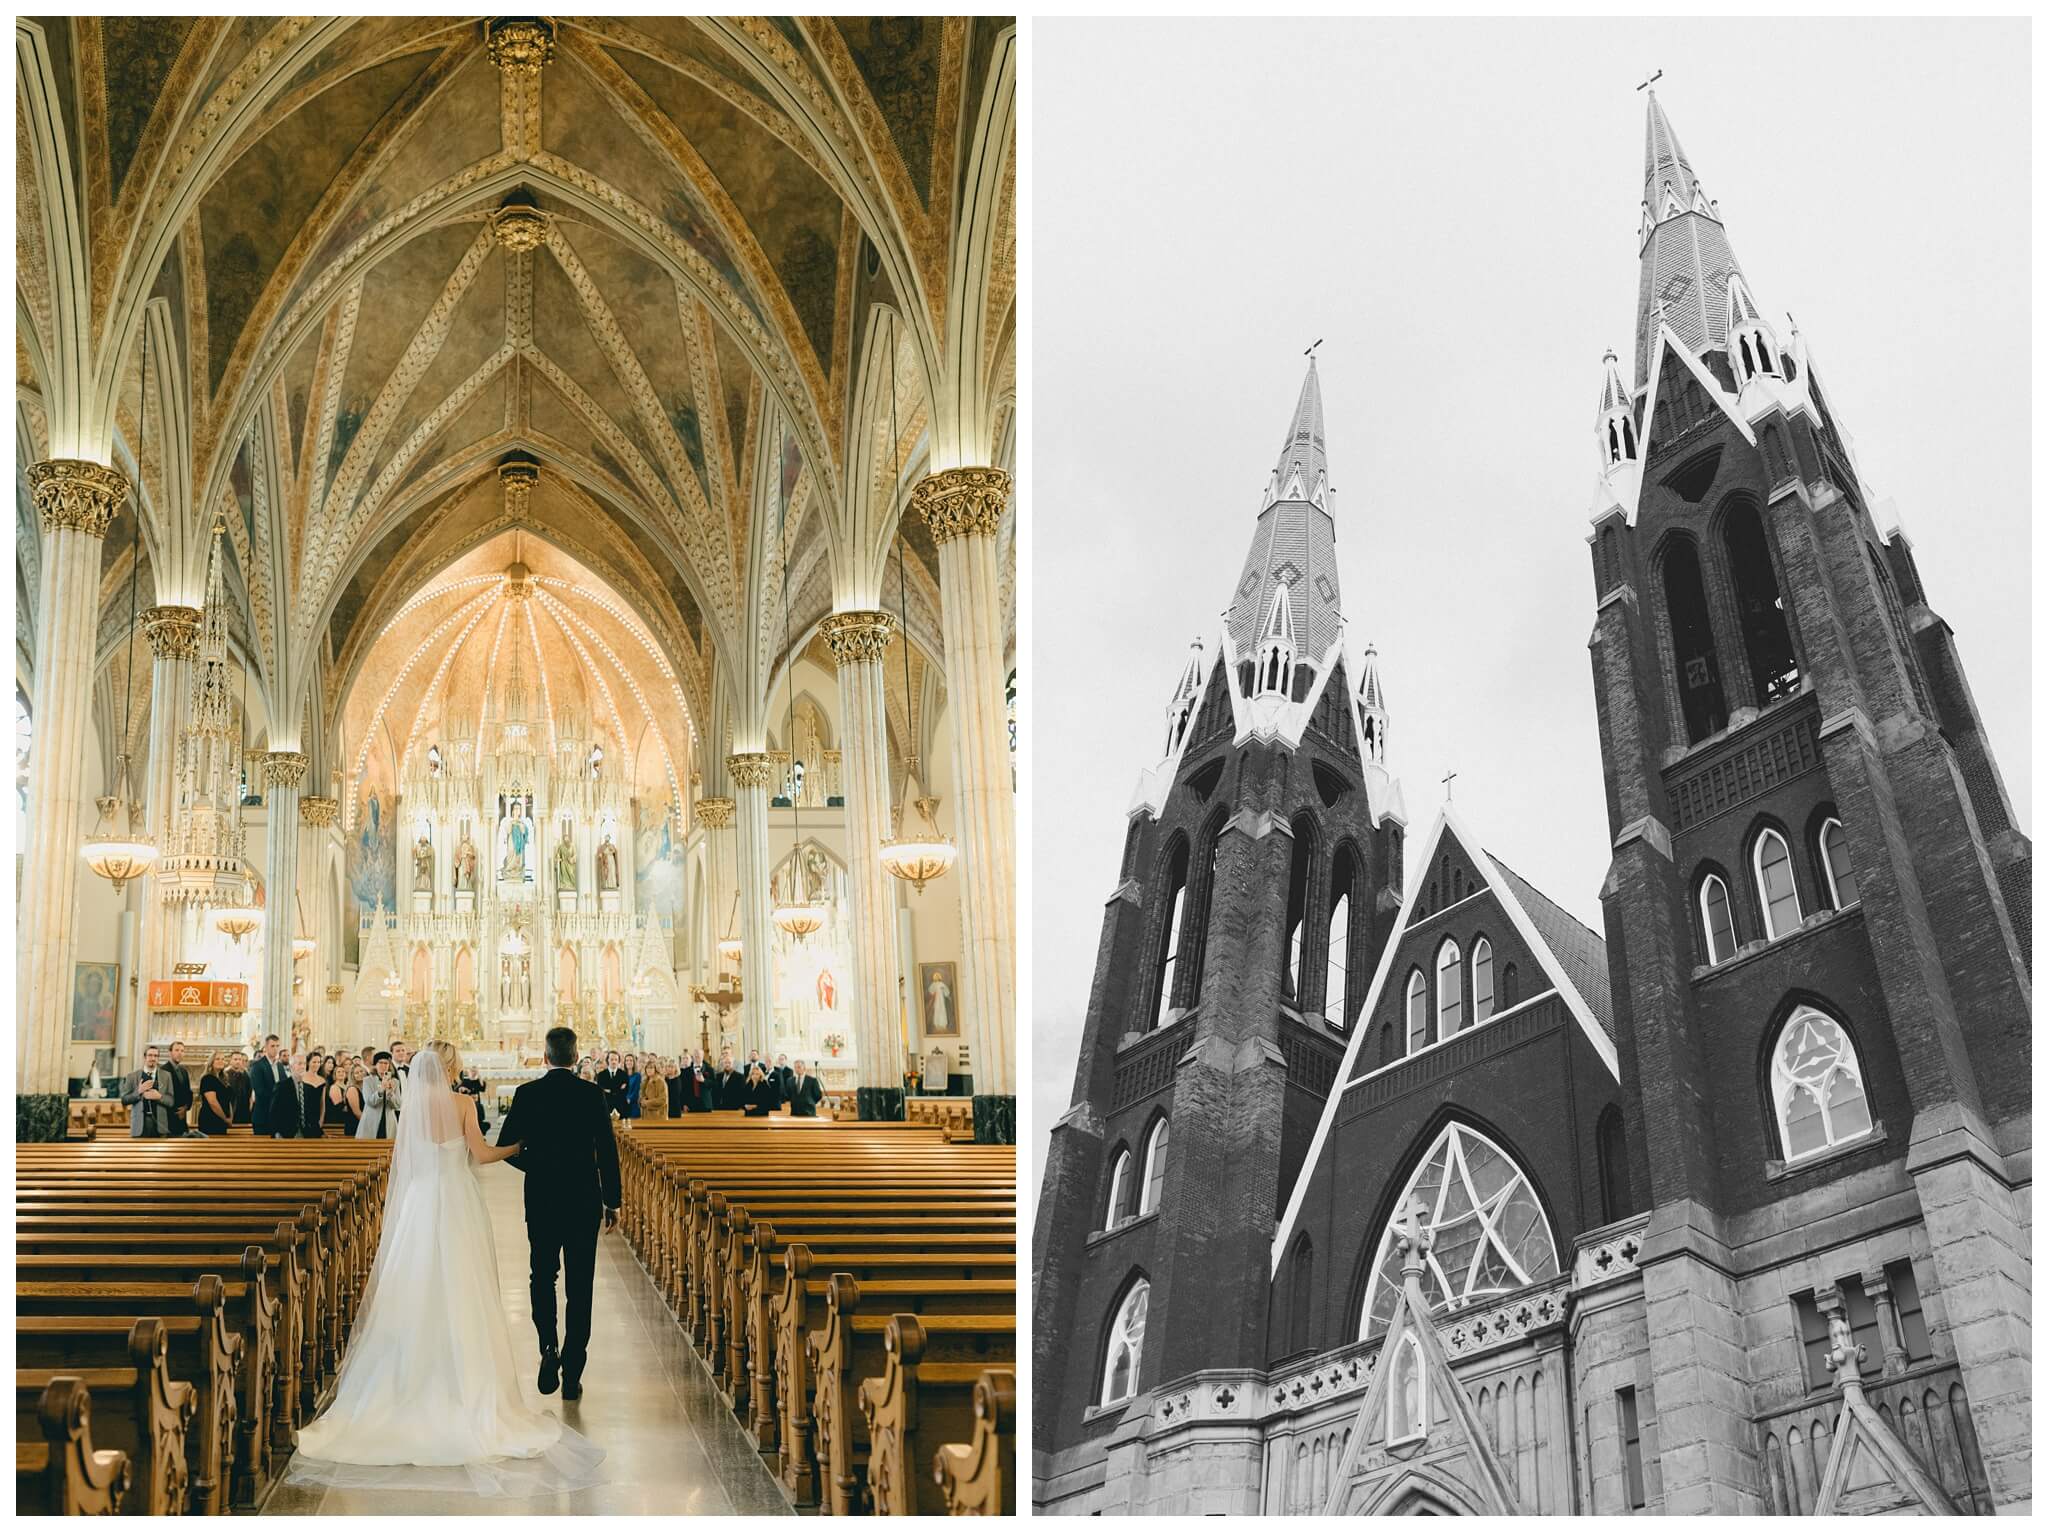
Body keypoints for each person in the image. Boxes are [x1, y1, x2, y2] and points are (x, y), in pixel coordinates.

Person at [285, 1040, 605, 1494]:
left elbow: (412, 1160)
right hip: (455, 1202)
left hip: (421, 1203)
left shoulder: (414, 1106)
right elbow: (481, 1154)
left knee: (416, 1285)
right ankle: (466, 1382)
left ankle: (406, 1381)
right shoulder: (462, 1102)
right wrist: (518, 1145)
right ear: (450, 1066)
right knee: (462, 1289)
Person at [494, 1027, 622, 1407]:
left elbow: (506, 1147)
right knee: (580, 1284)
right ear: (575, 1055)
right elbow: (607, 1150)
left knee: (542, 1275)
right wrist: (612, 1201)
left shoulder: (527, 1094)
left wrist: (538, 1165)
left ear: (545, 1057)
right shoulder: (592, 1094)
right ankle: (573, 1371)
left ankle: (547, 1347)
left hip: (543, 1198)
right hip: (584, 1198)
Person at [121, 1044, 176, 1138]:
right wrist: (138, 1091)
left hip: (160, 1126)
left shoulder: (166, 1076)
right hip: (139, 1126)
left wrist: (160, 1097)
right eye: (150, 1055)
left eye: (156, 1056)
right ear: (144, 1057)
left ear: (158, 1058)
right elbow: (124, 1100)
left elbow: (171, 1101)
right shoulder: (132, 1076)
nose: (153, 1058)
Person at [358, 1054, 401, 1139]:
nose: (383, 1066)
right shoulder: (367, 1081)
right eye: (380, 1063)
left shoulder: (395, 1082)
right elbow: (369, 1102)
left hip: (389, 1122)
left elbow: (397, 1105)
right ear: (376, 1065)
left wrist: (390, 1093)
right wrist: (381, 1090)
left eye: (386, 1063)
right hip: (371, 1120)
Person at [197, 1051, 235, 1136]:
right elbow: (213, 1102)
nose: (221, 1061)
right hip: (210, 1119)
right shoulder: (208, 1078)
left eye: (223, 1059)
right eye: (217, 1059)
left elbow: (228, 1100)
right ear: (211, 1062)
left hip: (222, 1120)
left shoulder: (223, 1079)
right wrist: (225, 1118)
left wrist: (230, 1117)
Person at [251, 1035, 283, 1135]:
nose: (275, 1049)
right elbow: (260, 1091)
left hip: (278, 1116)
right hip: (263, 1116)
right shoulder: (258, 1066)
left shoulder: (280, 1065)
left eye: (277, 1046)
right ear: (266, 1047)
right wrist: (279, 1098)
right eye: (272, 1046)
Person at [165, 1040, 196, 1136]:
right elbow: (162, 1095)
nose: (180, 1053)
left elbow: (189, 1092)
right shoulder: (163, 1070)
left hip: (183, 1118)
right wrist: (177, 1110)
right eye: (177, 1050)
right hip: (169, 1118)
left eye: (182, 1051)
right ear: (170, 1052)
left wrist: (186, 1107)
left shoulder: (184, 1071)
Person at [271, 1051, 304, 1138]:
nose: (303, 1066)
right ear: (291, 1066)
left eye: (304, 1063)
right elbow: (274, 1112)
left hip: (306, 1134)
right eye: (299, 1064)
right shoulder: (281, 1086)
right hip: (286, 1132)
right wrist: (277, 1133)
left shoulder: (309, 1086)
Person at [594, 1051, 628, 1119]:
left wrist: (609, 1090)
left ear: (618, 1061)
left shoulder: (624, 1074)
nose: (614, 1062)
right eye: (611, 1059)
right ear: (607, 1060)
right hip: (606, 1106)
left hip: (621, 1106)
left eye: (616, 1059)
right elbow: (601, 1091)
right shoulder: (601, 1075)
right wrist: (618, 1089)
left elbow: (625, 1091)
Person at [331, 1063, 363, 1135]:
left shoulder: (363, 1088)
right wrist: (368, 1124)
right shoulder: (352, 1089)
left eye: (361, 1071)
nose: (360, 1074)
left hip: (360, 1124)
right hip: (355, 1125)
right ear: (352, 1076)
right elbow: (357, 1112)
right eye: (356, 1073)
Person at [620, 1054, 642, 1121]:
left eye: (631, 1060)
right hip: (622, 1104)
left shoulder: (637, 1075)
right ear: (624, 1062)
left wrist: (628, 1099)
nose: (629, 1062)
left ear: (634, 1063)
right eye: (627, 1060)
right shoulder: (621, 1075)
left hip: (633, 1105)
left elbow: (636, 1090)